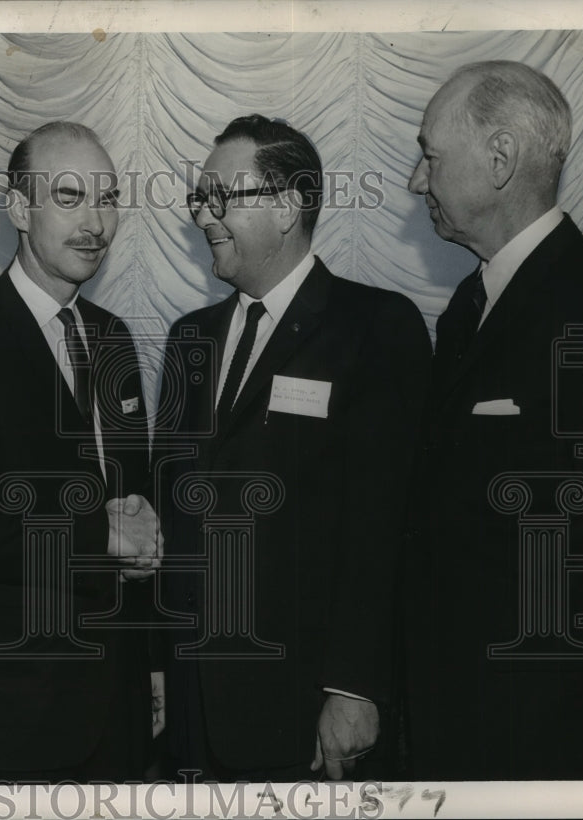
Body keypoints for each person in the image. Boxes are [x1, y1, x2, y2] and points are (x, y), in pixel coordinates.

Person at [156, 114, 431, 781]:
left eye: (222, 197)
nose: (204, 217)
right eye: (201, 199)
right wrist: (156, 667)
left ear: (287, 206)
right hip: (192, 709)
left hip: (305, 707)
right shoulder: (189, 339)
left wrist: (355, 688)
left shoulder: (375, 327)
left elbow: (386, 527)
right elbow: (174, 519)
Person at [0, 121, 162, 782]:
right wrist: (99, 536)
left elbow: (131, 496)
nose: (96, 223)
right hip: (12, 708)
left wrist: (145, 550)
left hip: (120, 705)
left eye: (108, 200)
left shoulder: (112, 339)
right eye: (72, 197)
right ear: (19, 209)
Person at [404, 60, 583, 780]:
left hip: (537, 731)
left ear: (499, 160)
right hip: (451, 715)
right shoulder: (467, 306)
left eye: (430, 157)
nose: (414, 182)